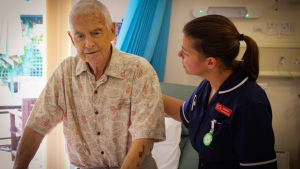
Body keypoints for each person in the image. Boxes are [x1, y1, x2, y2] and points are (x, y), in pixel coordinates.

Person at [13, 0, 165, 168]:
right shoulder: (65, 72)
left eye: (96, 33)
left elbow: (144, 135)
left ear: (112, 31)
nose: (89, 44)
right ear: (72, 39)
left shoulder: (139, 70)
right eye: (80, 36)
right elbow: (36, 126)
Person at [163, 15, 277, 169]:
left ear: (210, 62)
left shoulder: (248, 104)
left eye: (185, 52)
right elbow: (186, 114)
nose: (179, 54)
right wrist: (148, 94)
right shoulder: (208, 85)